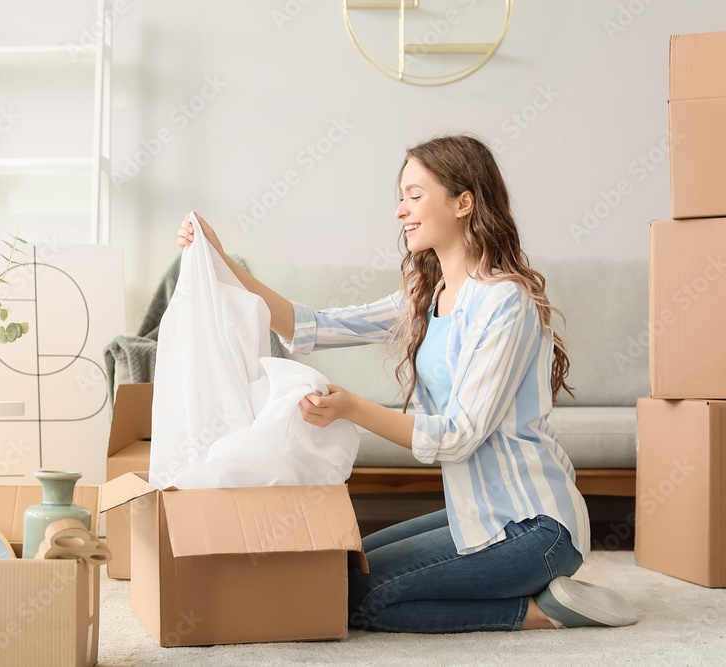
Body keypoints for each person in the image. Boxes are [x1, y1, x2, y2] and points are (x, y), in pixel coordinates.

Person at [176, 134, 636, 633]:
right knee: (338, 567)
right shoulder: (426, 295)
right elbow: (310, 325)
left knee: (357, 601)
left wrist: (352, 407)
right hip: (477, 512)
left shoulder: (505, 303)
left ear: (464, 202)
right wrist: (223, 263)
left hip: (535, 527)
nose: (401, 211)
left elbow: (458, 436)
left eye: (415, 195)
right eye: (401, 196)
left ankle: (543, 612)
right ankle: (530, 593)